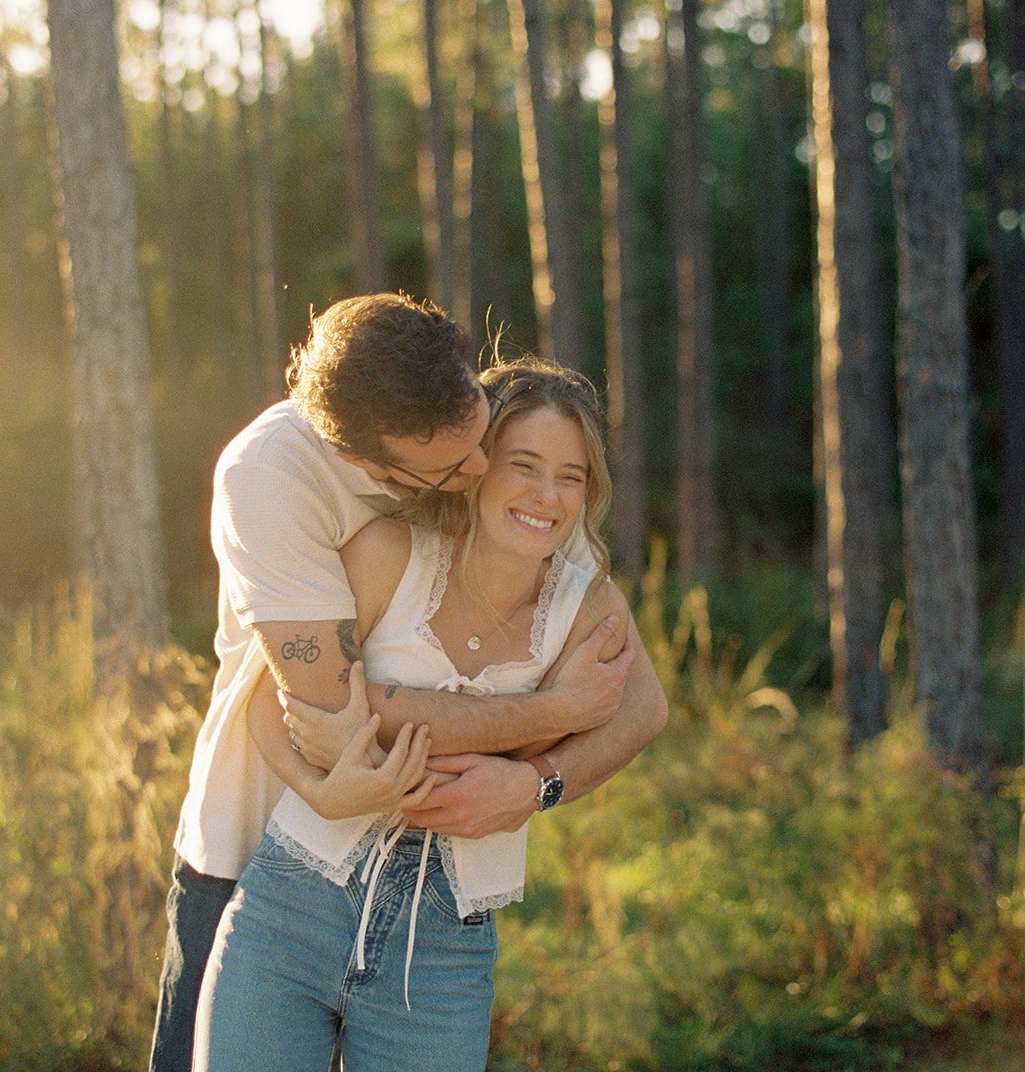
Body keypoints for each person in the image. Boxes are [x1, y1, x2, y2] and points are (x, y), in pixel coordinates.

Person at [148, 294, 667, 1072]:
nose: (488, 469)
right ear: (377, 464)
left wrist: (537, 786)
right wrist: (550, 713)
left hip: (441, 933)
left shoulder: (574, 581)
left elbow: (641, 709)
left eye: (566, 474)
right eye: (482, 463)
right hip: (267, 852)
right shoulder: (295, 490)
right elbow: (332, 715)